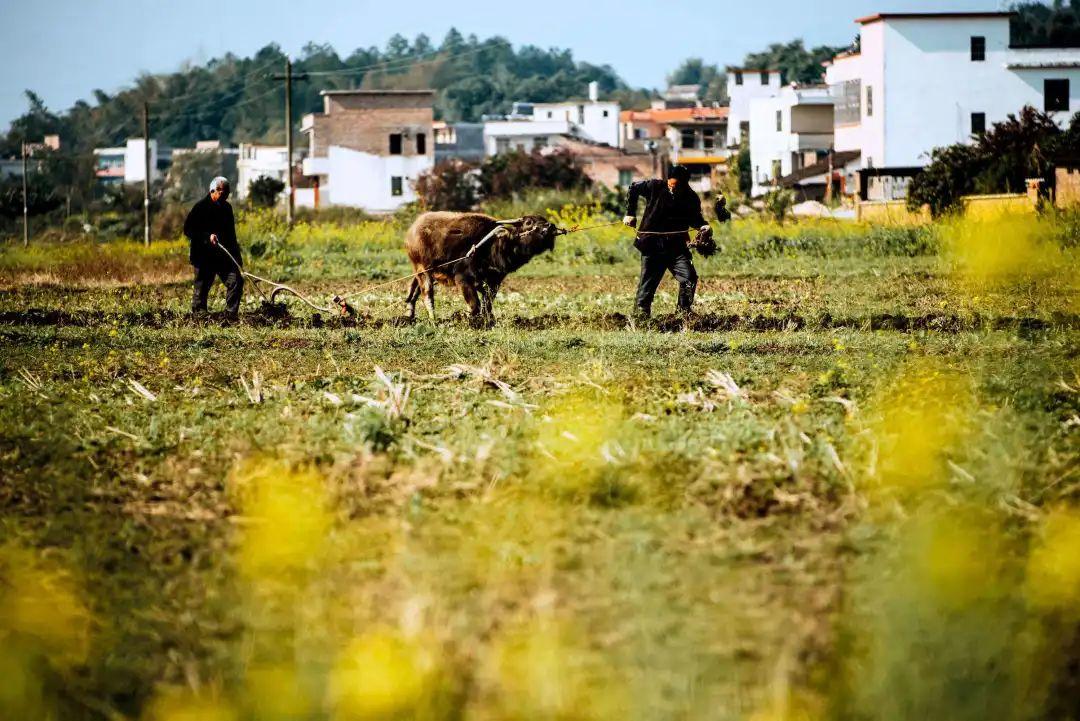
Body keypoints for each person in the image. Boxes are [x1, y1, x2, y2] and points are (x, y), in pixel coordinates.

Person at [623, 165, 710, 318]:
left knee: (689, 278)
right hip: (652, 245)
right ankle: (641, 318)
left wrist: (703, 226)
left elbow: (695, 219)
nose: (673, 190)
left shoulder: (691, 198)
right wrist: (630, 213)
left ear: (685, 184)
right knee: (647, 286)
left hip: (677, 247)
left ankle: (684, 313)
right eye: (671, 185)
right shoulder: (655, 186)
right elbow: (633, 188)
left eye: (677, 187)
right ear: (667, 181)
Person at [183, 176, 244, 320]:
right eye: (222, 193)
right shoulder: (200, 207)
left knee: (236, 280)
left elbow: (231, 236)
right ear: (213, 190)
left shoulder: (227, 209)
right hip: (203, 257)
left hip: (222, 256)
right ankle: (199, 316)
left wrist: (237, 259)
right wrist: (207, 236)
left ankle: (230, 315)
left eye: (227, 193)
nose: (225, 197)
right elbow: (188, 230)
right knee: (202, 288)